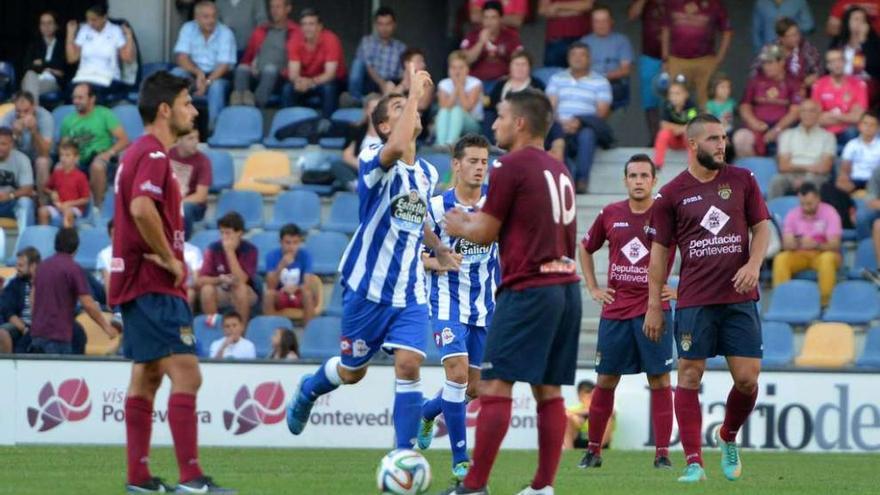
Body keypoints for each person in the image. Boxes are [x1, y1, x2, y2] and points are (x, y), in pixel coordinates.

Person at [286, 68, 460, 459]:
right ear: (383, 125)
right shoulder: (373, 158)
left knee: (410, 364)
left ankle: (404, 454)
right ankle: (309, 389)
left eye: (410, 104)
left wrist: (440, 249)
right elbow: (396, 148)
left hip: (410, 290)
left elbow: (417, 218)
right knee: (352, 372)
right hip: (368, 287)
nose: (411, 108)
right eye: (399, 107)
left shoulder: (429, 171)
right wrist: (413, 91)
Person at [441, 89, 581, 495]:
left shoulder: (510, 166)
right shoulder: (559, 169)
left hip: (530, 288)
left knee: (495, 385)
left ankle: (473, 486)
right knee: (548, 389)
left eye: (500, 115)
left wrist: (458, 226)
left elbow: (484, 233)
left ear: (519, 123)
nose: (494, 123)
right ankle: (542, 487)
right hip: (566, 288)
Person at [109, 70, 233, 492]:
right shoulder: (155, 155)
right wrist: (169, 259)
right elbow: (142, 209)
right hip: (154, 282)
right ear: (165, 110)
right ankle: (191, 478)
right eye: (186, 102)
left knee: (146, 376)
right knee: (187, 374)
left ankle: (139, 478)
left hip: (138, 282)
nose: (193, 110)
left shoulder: (138, 153)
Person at [645, 113, 771, 483]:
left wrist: (754, 263)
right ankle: (693, 462)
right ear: (693, 144)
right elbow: (658, 254)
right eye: (714, 139)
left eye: (723, 138)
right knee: (688, 375)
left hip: (739, 296)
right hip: (695, 299)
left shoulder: (743, 179)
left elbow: (761, 228)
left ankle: (727, 435)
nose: (722, 145)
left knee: (747, 379)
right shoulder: (670, 193)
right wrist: (654, 305)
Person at [577, 153, 675, 470]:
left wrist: (681, 288)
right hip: (616, 309)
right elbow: (585, 247)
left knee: (659, 379)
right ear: (625, 180)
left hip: (654, 308)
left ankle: (662, 454)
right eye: (632, 176)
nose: (638, 181)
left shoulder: (668, 216)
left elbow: (697, 250)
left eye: (644, 176)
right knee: (605, 379)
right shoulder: (610, 213)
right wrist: (593, 287)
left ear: (654, 180)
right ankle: (593, 451)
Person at [416, 134, 499, 481]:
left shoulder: (496, 206)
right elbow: (413, 256)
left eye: (484, 162)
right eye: (473, 161)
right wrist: (439, 262)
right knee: (457, 374)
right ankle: (460, 459)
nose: (480, 167)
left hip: (485, 307)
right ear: (456, 164)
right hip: (447, 303)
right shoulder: (436, 208)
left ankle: (427, 411)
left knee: (474, 388)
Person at [29, 228, 117, 355]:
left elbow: (33, 298)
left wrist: (37, 322)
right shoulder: (73, 269)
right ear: (76, 248)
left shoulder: (42, 266)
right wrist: (106, 328)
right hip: (59, 336)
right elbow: (88, 304)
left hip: (38, 334)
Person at [546, 42, 612, 194]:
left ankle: (582, 180)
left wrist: (579, 121)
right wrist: (561, 123)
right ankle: (565, 182)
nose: (578, 58)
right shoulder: (557, 79)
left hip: (586, 125)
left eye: (582, 55)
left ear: (589, 59)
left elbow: (602, 112)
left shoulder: (600, 81)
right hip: (559, 124)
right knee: (556, 135)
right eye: (574, 55)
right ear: (568, 58)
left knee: (587, 135)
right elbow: (550, 107)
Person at [58, 83, 129, 209]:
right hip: (79, 161)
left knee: (97, 166)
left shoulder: (104, 114)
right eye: (74, 98)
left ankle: (97, 208)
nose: (76, 101)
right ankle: (65, 208)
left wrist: (109, 153)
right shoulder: (68, 121)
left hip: (102, 158)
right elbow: (64, 146)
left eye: (80, 98)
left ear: (92, 99)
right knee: (59, 167)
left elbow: (124, 140)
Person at [773, 183, 842, 306]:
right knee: (781, 259)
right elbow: (786, 243)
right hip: (800, 253)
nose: (805, 207)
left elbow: (835, 244)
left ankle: (825, 303)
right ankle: (783, 302)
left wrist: (816, 245)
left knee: (827, 259)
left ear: (818, 199)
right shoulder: (793, 214)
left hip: (823, 252)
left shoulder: (830, 213)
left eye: (809, 204)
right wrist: (795, 243)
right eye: (802, 204)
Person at [172, 0, 237, 131]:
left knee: (216, 87)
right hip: (194, 74)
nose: (211, 20)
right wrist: (198, 73)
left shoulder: (225, 33)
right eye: (206, 17)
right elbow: (181, 57)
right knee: (176, 74)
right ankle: (175, 125)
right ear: (196, 18)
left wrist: (206, 82)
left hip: (218, 76)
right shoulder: (188, 28)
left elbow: (224, 65)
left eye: (213, 16)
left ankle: (214, 131)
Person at [732, 45, 801, 158]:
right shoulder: (756, 80)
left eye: (770, 63)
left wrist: (777, 129)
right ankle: (751, 173)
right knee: (741, 138)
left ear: (781, 62)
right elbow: (745, 106)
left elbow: (795, 111)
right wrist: (753, 122)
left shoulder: (792, 82)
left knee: (788, 141)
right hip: (757, 125)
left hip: (783, 127)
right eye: (764, 63)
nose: (766, 67)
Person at [661, 0, 732, 107]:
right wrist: (665, 58)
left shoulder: (714, 4)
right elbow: (665, 29)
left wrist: (719, 58)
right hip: (677, 60)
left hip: (705, 61)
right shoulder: (672, 2)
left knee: (708, 104)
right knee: (676, 103)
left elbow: (727, 31)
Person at [231, 0, 299, 107]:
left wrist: (284, 72)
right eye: (272, 7)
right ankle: (239, 107)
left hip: (280, 76)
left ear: (288, 9)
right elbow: (248, 57)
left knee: (270, 70)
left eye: (278, 7)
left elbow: (297, 61)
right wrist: (250, 65)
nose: (274, 11)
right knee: (241, 68)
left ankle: (255, 106)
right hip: (257, 73)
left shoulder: (295, 32)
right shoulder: (261, 30)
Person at [198, 212, 259, 325]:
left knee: (240, 289)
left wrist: (230, 252)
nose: (224, 237)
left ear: (239, 233)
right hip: (221, 289)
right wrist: (220, 279)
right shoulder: (213, 248)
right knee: (206, 290)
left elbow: (241, 280)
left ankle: (241, 333)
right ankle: (213, 329)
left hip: (246, 291)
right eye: (222, 233)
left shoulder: (250, 250)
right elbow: (201, 280)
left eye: (228, 233)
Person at [65, 4, 136, 98]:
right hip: (84, 77)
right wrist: (70, 34)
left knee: (91, 94)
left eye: (94, 20)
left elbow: (127, 58)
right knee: (70, 91)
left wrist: (129, 36)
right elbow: (72, 58)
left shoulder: (115, 31)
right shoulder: (84, 30)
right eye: (88, 19)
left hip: (107, 77)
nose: (90, 23)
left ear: (104, 18)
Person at [770, 100, 836, 199]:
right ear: (799, 114)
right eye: (803, 111)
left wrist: (803, 174)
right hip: (790, 175)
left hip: (816, 176)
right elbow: (783, 166)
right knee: (777, 180)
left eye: (811, 111)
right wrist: (809, 167)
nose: (807, 114)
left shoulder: (828, 137)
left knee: (811, 181)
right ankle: (770, 213)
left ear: (819, 114)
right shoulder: (787, 134)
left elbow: (825, 168)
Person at [287, 8, 347, 117]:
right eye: (304, 24)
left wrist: (310, 82)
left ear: (320, 26)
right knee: (288, 89)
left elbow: (330, 74)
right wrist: (300, 81)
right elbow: (293, 74)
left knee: (328, 88)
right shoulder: (295, 39)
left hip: (331, 81)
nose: (307, 28)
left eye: (311, 24)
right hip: (305, 80)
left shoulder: (330, 39)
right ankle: (288, 126)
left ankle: (327, 126)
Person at [263, 223, 320, 325]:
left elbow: (307, 283)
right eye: (287, 243)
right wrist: (281, 265)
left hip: (299, 293)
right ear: (281, 242)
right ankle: (270, 330)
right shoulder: (271, 256)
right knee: (268, 295)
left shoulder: (306, 256)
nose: (291, 247)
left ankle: (309, 332)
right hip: (280, 294)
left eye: (295, 243)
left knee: (307, 293)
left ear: (300, 243)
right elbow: (270, 286)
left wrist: (296, 288)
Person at [812, 48, 869, 146]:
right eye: (832, 61)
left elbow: (858, 118)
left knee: (852, 131)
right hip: (825, 132)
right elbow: (816, 118)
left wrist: (831, 115)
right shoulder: (819, 85)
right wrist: (847, 116)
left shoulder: (858, 84)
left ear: (845, 62)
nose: (837, 64)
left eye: (839, 60)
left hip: (849, 133)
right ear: (827, 65)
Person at [349, 7, 407, 103]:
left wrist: (390, 86)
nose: (384, 28)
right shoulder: (367, 42)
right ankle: (356, 100)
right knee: (358, 63)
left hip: (391, 83)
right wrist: (382, 83)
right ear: (375, 25)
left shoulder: (401, 48)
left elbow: (402, 75)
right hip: (369, 82)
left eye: (388, 24)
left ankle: (380, 101)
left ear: (394, 25)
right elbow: (368, 66)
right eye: (380, 24)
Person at [0, 91, 53, 197]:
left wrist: (34, 131)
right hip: (19, 158)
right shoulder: (9, 117)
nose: (22, 115)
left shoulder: (44, 117)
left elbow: (45, 152)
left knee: (42, 162)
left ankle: (42, 204)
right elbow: (3, 147)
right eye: (18, 111)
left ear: (33, 107)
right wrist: (14, 135)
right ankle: (17, 195)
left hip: (37, 157)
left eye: (26, 111)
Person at [484, 50, 545, 141]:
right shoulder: (501, 84)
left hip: (525, 121)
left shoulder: (537, 85)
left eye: (523, 65)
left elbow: (540, 108)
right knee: (489, 116)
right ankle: (491, 149)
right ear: (510, 67)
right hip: (500, 119)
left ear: (529, 67)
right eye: (516, 64)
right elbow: (490, 107)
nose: (520, 68)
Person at [750, 18, 821, 92]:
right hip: (773, 90)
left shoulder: (807, 48)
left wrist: (810, 79)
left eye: (797, 33)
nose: (797, 38)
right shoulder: (770, 49)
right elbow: (754, 72)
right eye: (792, 35)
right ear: (781, 38)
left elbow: (818, 72)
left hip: (800, 90)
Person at [582, 6, 633, 108]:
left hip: (613, 84)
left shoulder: (622, 40)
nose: (601, 25)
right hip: (589, 85)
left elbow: (626, 69)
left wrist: (603, 77)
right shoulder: (584, 42)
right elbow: (580, 69)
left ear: (611, 22)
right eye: (597, 21)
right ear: (591, 23)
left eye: (604, 21)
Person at [628, 0, 666, 141]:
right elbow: (632, 15)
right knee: (650, 99)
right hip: (649, 56)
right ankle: (655, 138)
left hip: (675, 57)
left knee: (675, 98)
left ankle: (673, 138)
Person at [461, 1, 523, 83]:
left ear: (500, 19)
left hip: (502, 83)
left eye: (493, 18)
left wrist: (509, 78)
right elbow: (466, 60)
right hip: (476, 83)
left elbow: (519, 62)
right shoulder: (472, 35)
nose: (489, 22)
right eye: (486, 17)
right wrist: (481, 42)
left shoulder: (511, 37)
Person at [332, 94, 382, 191]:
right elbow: (347, 156)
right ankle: (357, 187)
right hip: (359, 169)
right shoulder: (357, 130)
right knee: (336, 164)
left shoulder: (390, 133)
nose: (377, 111)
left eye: (380, 108)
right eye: (374, 108)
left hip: (379, 171)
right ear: (367, 111)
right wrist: (364, 167)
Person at [168, 128, 211, 237]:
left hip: (193, 206)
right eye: (190, 139)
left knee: (184, 208)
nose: (196, 142)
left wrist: (177, 202)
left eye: (197, 138)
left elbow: (201, 196)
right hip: (168, 200)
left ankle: (183, 243)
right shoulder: (167, 154)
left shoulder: (203, 161)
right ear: (179, 140)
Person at [436, 51, 484, 146]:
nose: (457, 71)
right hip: (447, 122)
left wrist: (459, 85)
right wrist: (456, 89)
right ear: (449, 70)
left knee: (457, 110)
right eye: (453, 68)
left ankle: (450, 144)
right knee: (444, 112)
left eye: (461, 68)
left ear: (467, 69)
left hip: (472, 125)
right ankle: (441, 145)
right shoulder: (443, 84)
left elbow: (467, 108)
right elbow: (444, 108)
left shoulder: (475, 83)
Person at [38, 140, 89, 228]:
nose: (63, 158)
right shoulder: (57, 173)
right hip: (57, 206)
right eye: (61, 155)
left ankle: (66, 237)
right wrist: (52, 193)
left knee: (67, 212)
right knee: (42, 211)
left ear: (76, 158)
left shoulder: (81, 176)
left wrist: (69, 203)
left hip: (73, 208)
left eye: (67, 155)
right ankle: (44, 236)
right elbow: (46, 188)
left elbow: (85, 199)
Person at [0, 248, 40, 354]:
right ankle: (8, 368)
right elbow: (7, 310)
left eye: (21, 265)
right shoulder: (14, 283)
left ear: (33, 266)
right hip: (20, 325)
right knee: (2, 333)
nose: (17, 268)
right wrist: (23, 328)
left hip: (42, 328)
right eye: (17, 264)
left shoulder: (46, 283)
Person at [21, 11, 66, 104]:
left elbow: (62, 68)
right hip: (32, 78)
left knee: (27, 92)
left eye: (49, 23)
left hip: (51, 82)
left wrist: (41, 64)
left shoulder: (63, 45)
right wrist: (49, 67)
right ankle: (32, 111)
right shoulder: (34, 45)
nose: (46, 27)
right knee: (30, 75)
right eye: (43, 23)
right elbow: (26, 66)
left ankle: (27, 108)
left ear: (56, 26)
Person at [830, 6, 880, 90]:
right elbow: (829, 64)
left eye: (863, 20)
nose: (860, 22)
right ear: (847, 22)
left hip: (865, 83)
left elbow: (876, 66)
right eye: (856, 19)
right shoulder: (838, 41)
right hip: (840, 80)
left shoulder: (873, 41)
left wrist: (863, 41)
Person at [653, 81, 698, 169]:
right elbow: (663, 124)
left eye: (677, 93)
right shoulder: (667, 105)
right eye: (671, 94)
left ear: (686, 94)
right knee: (663, 133)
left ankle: (693, 165)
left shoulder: (690, 106)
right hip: (673, 141)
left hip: (686, 142)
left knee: (690, 134)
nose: (674, 97)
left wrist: (680, 129)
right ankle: (658, 164)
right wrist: (680, 128)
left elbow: (693, 125)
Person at [539, 0, 593, 68]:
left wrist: (558, 5)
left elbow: (587, 5)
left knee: (583, 74)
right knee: (554, 74)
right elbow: (543, 10)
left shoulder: (557, 5)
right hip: (556, 37)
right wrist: (575, 11)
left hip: (581, 36)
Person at [0, 127, 36, 229]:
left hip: (11, 203)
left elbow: (28, 188)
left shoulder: (22, 159)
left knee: (25, 202)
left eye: (3, 144)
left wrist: (10, 196)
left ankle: (25, 239)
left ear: (11, 145)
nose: (0, 147)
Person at [837, 111, 880, 194]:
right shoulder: (851, 144)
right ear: (859, 126)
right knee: (839, 185)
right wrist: (844, 178)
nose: (868, 127)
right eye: (865, 124)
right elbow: (845, 167)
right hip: (855, 180)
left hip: (876, 181)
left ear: (878, 128)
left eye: (872, 125)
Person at [564, 380, 614, 450]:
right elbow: (563, 413)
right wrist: (574, 417)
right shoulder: (574, 409)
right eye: (587, 393)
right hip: (578, 441)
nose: (590, 396)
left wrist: (578, 414)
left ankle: (595, 451)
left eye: (592, 393)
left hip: (601, 444)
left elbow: (612, 412)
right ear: (580, 396)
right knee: (567, 419)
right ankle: (570, 451)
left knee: (608, 416)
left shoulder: (602, 407)